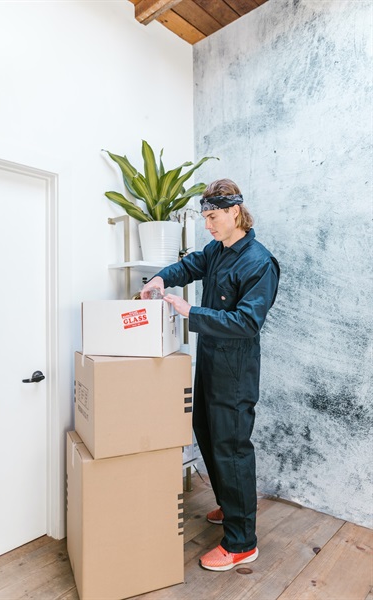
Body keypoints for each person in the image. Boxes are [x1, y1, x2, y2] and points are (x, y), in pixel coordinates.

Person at [141, 179, 280, 571]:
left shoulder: (260, 262)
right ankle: (231, 506)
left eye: (213, 217)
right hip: (210, 364)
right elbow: (189, 266)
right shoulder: (217, 251)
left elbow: (247, 322)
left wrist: (191, 313)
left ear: (235, 212)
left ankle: (242, 542)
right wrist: (160, 278)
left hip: (235, 372)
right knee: (206, 432)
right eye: (205, 217)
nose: (208, 225)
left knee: (231, 448)